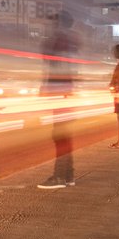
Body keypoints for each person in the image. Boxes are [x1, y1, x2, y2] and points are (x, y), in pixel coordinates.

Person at [38, 11, 81, 189]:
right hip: (64, 92)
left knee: (60, 136)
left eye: (53, 23)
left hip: (61, 93)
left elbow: (55, 66)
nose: (49, 26)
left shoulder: (60, 41)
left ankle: (59, 177)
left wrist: (47, 87)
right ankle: (68, 175)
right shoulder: (67, 41)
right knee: (63, 135)